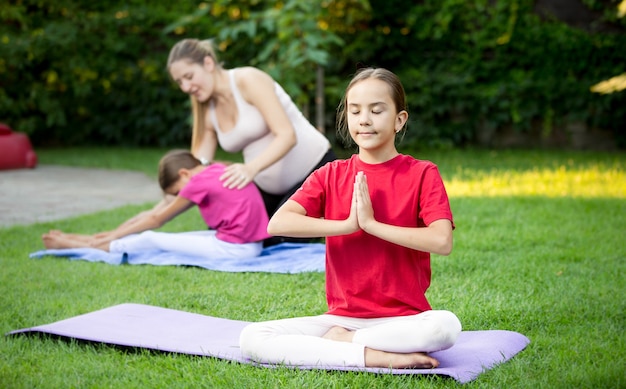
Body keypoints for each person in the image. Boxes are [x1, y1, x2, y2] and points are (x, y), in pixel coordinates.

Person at [238, 68, 462, 369]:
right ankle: (371, 355)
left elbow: (441, 240)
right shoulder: (330, 174)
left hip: (404, 320)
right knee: (253, 337)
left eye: (376, 110)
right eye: (355, 111)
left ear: (399, 120)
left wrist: (372, 225)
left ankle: (346, 346)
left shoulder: (422, 173)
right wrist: (348, 225)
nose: (364, 120)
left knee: (445, 327)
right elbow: (278, 223)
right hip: (341, 318)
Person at [166, 38, 336, 222]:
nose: (185, 87)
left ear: (208, 63)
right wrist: (163, 204)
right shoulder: (208, 112)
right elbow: (196, 168)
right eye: (179, 82)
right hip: (267, 190)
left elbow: (287, 135)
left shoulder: (247, 80)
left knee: (278, 240)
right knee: (230, 232)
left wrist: (250, 168)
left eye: (189, 77)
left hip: (315, 172)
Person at [41, 150, 270, 260]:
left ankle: (81, 246)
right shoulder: (215, 169)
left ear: (184, 173)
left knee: (150, 238)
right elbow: (152, 213)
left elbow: (157, 220)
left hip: (237, 250)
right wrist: (112, 233)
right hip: (243, 244)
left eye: (178, 191)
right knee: (179, 237)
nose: (182, 195)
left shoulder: (198, 182)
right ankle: (87, 240)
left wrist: (111, 237)